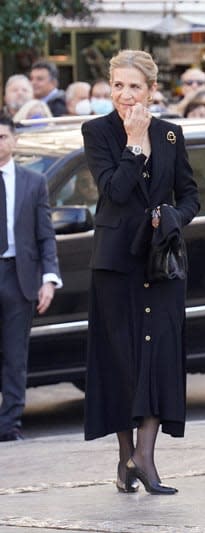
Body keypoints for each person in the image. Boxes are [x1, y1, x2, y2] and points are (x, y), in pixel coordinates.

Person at [81, 50, 200, 495]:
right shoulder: (97, 132)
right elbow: (113, 190)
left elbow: (191, 196)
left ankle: (145, 458)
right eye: (117, 85)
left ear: (151, 90)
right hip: (116, 265)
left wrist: (171, 216)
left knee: (160, 358)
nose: (125, 95)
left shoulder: (171, 135)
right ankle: (124, 457)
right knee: (124, 361)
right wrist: (132, 144)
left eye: (134, 86)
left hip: (161, 262)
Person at [0, 116, 62, 442]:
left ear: (14, 141)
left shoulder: (32, 181)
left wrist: (49, 278)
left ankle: (9, 424)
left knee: (15, 355)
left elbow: (45, 235)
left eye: (1, 136)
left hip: (18, 276)